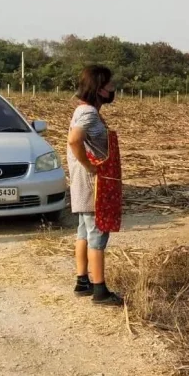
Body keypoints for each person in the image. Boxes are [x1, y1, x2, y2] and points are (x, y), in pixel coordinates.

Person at [67, 65, 124, 307]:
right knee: (97, 234)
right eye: (110, 85)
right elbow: (74, 140)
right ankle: (100, 290)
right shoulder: (89, 113)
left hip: (86, 182)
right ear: (100, 89)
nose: (113, 89)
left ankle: (82, 281)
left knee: (84, 231)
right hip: (94, 185)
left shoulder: (83, 110)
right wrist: (89, 166)